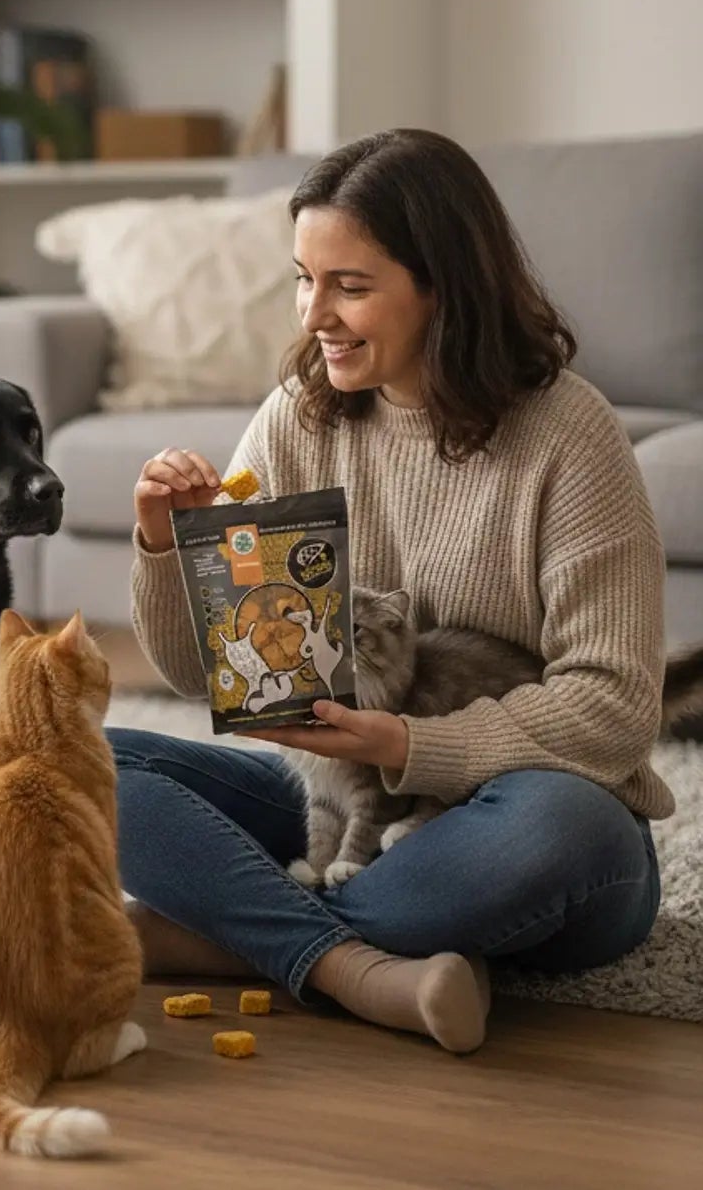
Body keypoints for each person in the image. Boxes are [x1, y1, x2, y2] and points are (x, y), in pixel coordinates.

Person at [113, 128, 671, 1053]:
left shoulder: (571, 434)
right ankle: (370, 964)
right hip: (344, 798)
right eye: (304, 278)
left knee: (557, 828)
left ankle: (229, 938)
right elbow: (194, 674)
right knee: (72, 763)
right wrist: (167, 546)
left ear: (444, 287)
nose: (314, 315)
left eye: (350, 286)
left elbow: (615, 707)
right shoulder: (298, 417)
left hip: (524, 817)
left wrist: (414, 745)